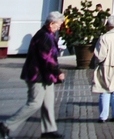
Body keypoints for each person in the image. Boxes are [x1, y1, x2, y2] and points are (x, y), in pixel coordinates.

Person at [1, 11, 66, 139]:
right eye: (58, 24)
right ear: (51, 23)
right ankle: (6, 126)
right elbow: (47, 58)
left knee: (48, 102)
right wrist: (58, 72)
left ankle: (49, 130)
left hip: (46, 76)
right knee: (35, 103)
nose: (60, 27)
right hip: (37, 75)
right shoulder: (43, 36)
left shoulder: (49, 34)